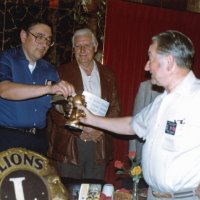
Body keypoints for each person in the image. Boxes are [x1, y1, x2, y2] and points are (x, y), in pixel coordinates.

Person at [78, 30, 200, 200]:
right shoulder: (162, 101)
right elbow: (132, 125)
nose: (146, 66)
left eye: (151, 58)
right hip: (154, 195)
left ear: (170, 62)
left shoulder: (197, 97)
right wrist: (91, 119)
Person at [47, 28, 120, 180]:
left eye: (86, 45)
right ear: (73, 49)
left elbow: (115, 107)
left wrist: (99, 130)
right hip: (70, 143)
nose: (82, 50)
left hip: (99, 142)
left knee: (92, 191)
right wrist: (80, 130)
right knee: (69, 191)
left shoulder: (108, 74)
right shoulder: (61, 72)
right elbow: (54, 110)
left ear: (95, 47)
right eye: (78, 46)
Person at [0, 18, 75, 156]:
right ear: (24, 36)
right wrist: (48, 89)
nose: (45, 44)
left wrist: (67, 107)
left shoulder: (50, 70)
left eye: (48, 39)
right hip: (6, 138)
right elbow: (4, 90)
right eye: (40, 37)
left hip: (38, 140)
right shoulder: (5, 59)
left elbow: (56, 102)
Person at [129, 79, 164, 163]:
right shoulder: (145, 87)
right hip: (146, 152)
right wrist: (133, 152)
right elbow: (135, 122)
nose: (147, 67)